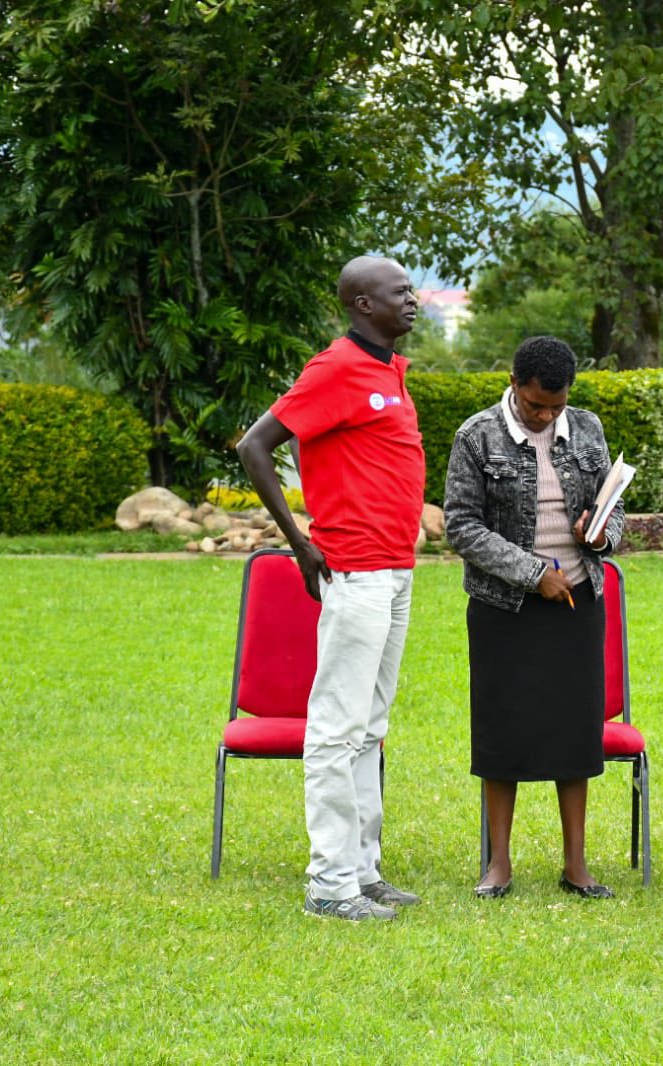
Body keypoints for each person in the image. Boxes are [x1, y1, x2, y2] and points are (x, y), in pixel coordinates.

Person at [235, 255, 426, 923]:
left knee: (370, 728)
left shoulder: (388, 370)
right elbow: (255, 446)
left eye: (410, 290)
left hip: (395, 569)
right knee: (337, 729)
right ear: (360, 304)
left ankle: (363, 870)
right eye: (398, 293)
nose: (412, 301)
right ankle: (328, 884)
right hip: (356, 570)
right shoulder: (336, 368)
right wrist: (298, 541)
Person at [443, 336, 625, 900]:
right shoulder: (477, 436)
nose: (546, 416)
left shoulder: (588, 428)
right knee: (504, 732)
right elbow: (462, 526)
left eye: (556, 406)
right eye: (535, 405)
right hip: (505, 609)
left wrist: (600, 532)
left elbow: (614, 505)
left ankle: (577, 866)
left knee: (575, 733)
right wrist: (530, 571)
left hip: (578, 603)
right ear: (515, 385)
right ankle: (499, 865)